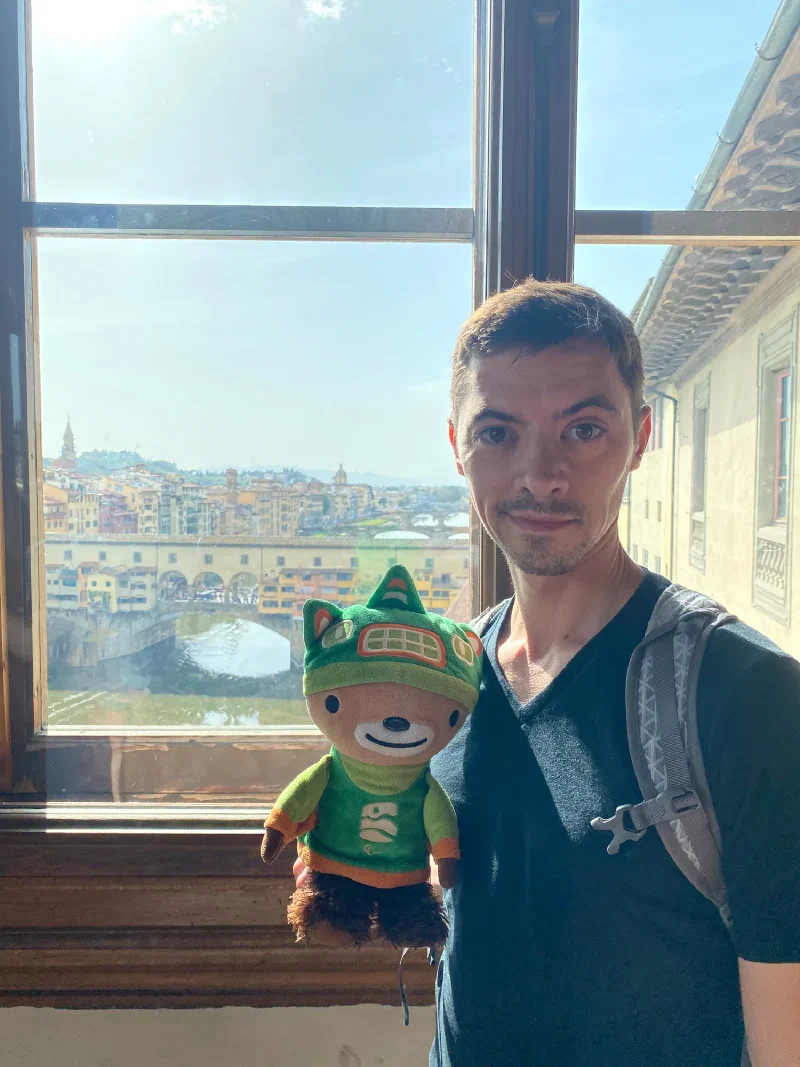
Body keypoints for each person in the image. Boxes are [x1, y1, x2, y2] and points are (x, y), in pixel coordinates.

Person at [293, 280, 800, 1066]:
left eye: (584, 429)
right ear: (456, 446)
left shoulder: (747, 695)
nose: (541, 474)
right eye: (499, 432)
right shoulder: (447, 687)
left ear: (639, 436)